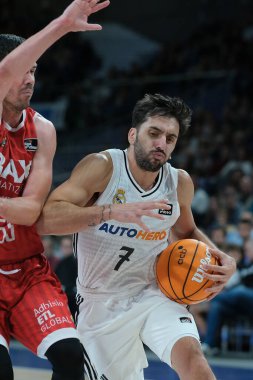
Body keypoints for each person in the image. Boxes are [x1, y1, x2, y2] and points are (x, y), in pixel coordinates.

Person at [37, 94, 236, 380]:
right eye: (154, 133)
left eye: (170, 138)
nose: (161, 144)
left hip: (154, 293)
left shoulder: (178, 183)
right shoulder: (103, 167)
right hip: (101, 304)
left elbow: (187, 231)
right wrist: (110, 212)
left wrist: (220, 257)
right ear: (133, 134)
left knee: (195, 363)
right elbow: (46, 219)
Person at [0, 1, 110, 380]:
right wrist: (63, 24)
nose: (29, 78)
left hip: (27, 268)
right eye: (22, 72)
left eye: (34, 70)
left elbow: (31, 211)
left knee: (69, 355)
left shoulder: (43, 130)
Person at [55, 236, 78, 319]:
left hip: (74, 299)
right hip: (63, 298)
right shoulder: (60, 264)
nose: (66, 249)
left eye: (68, 247)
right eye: (64, 247)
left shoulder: (76, 263)